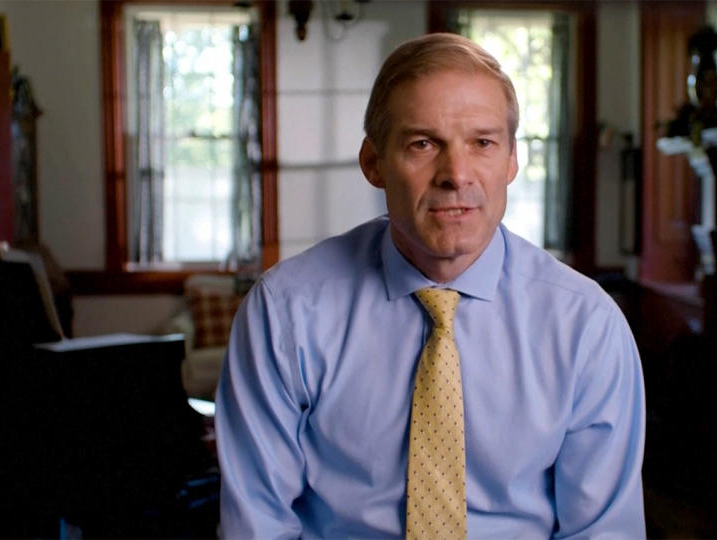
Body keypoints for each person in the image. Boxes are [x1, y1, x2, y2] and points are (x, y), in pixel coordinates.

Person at [216, 32, 646, 539]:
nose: (456, 174)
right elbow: (257, 526)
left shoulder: (585, 326)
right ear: (373, 162)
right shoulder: (285, 312)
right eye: (423, 144)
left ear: (511, 161)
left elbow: (603, 532)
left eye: (482, 143)